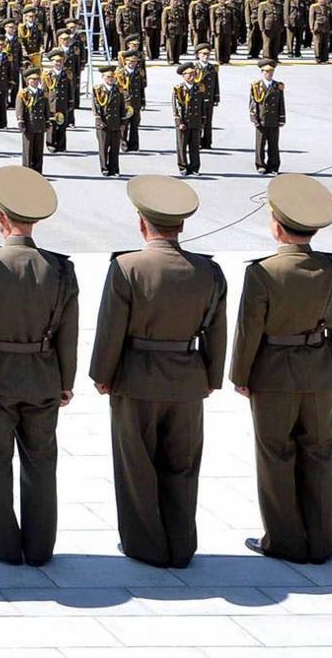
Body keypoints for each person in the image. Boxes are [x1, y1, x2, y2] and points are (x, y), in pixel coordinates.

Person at [89, 174, 225, 569]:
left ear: (142, 223)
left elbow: (111, 327)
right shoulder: (208, 271)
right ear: (181, 225)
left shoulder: (128, 267)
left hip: (136, 377)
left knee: (137, 464)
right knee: (182, 466)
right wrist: (212, 378)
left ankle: (146, 544)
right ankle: (181, 544)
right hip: (187, 378)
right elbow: (216, 329)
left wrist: (103, 373)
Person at [231, 173, 332, 564]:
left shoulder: (264, 272)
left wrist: (241, 375)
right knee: (319, 454)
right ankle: (320, 540)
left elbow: (250, 329)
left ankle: (284, 539)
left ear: (277, 226)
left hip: (273, 374)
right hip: (319, 372)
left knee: (276, 455)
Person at [0, 166, 75, 567]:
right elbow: (68, 332)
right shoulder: (61, 267)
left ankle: (2, 545)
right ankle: (41, 547)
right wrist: (66, 380)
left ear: (2, 218)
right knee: (41, 462)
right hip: (43, 375)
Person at [249, 61, 285, 175]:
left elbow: (281, 103)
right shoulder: (256, 86)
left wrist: (282, 118)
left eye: (271, 71)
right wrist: (254, 118)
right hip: (261, 118)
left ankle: (273, 166)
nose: (269, 74)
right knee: (260, 144)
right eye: (266, 71)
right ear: (262, 72)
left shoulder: (277, 86)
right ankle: (260, 165)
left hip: (273, 119)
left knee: (273, 144)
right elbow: (253, 103)